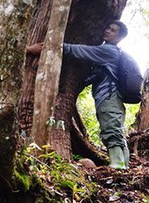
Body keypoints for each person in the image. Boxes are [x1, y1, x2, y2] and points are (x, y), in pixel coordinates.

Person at [27, 20, 130, 169]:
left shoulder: (109, 51)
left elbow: (80, 51)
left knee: (111, 129)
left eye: (113, 30)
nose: (107, 31)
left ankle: (118, 165)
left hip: (109, 96)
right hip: (111, 97)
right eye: (108, 27)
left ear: (119, 37)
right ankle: (122, 164)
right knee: (114, 129)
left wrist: (50, 47)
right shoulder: (111, 53)